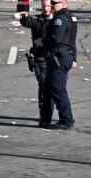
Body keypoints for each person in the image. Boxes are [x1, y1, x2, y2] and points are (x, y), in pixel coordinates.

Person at [35, 0, 77, 129]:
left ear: (63, 3)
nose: (52, 5)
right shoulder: (68, 16)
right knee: (48, 88)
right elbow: (71, 40)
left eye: (54, 2)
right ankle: (45, 119)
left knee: (58, 88)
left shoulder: (61, 18)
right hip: (61, 57)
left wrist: (42, 41)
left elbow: (56, 38)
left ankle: (67, 120)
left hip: (60, 58)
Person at [20, 0, 53, 124]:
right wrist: (24, 18)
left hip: (54, 57)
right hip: (40, 57)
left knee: (56, 86)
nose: (46, 8)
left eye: (48, 5)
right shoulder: (38, 20)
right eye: (44, 5)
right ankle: (43, 114)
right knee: (43, 84)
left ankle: (57, 114)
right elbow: (29, 22)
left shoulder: (57, 21)